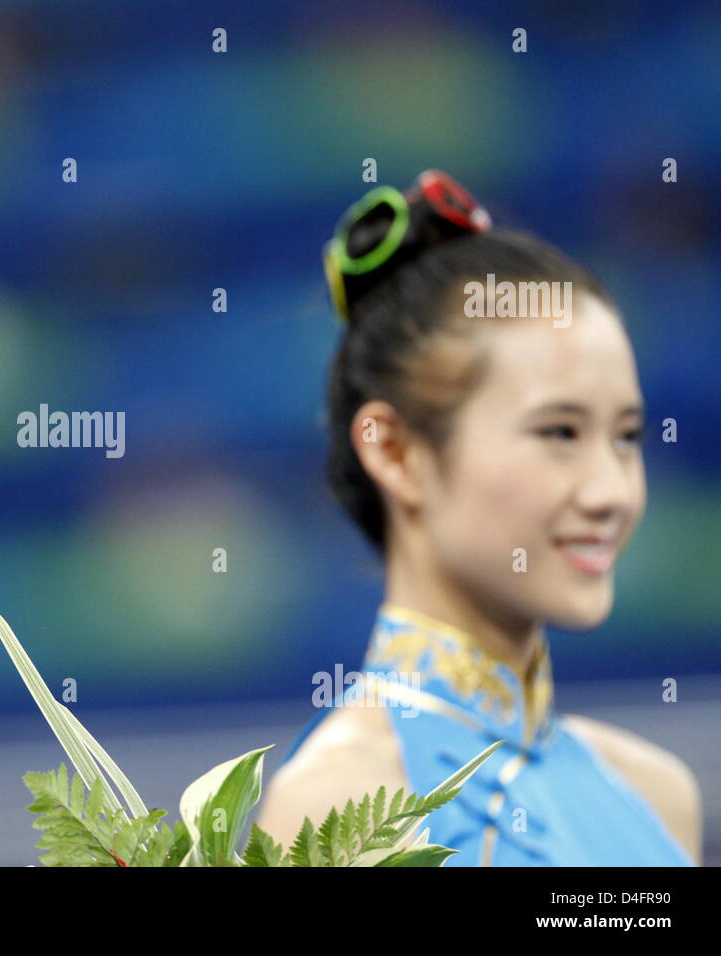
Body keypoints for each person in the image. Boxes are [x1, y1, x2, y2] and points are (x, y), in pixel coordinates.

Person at [255, 170, 701, 865]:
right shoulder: (335, 811)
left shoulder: (658, 793)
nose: (611, 492)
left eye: (627, 438)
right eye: (559, 433)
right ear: (398, 452)